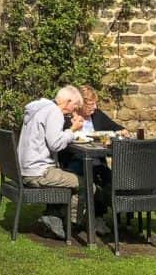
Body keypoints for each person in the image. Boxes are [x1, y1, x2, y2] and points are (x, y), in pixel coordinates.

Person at [18, 85, 84, 240]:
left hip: (26, 169)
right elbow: (55, 144)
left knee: (65, 175)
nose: (74, 111)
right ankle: (71, 224)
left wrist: (68, 127)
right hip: (38, 172)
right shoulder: (54, 112)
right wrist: (72, 130)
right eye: (75, 107)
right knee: (85, 184)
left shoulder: (40, 108)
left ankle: (53, 218)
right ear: (68, 102)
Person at [59, 85, 126, 231]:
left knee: (107, 176)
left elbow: (116, 128)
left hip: (96, 159)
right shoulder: (68, 118)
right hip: (74, 160)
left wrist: (121, 131)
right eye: (91, 104)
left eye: (96, 104)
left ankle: (98, 217)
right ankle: (80, 218)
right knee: (94, 174)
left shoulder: (97, 116)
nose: (94, 107)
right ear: (81, 104)